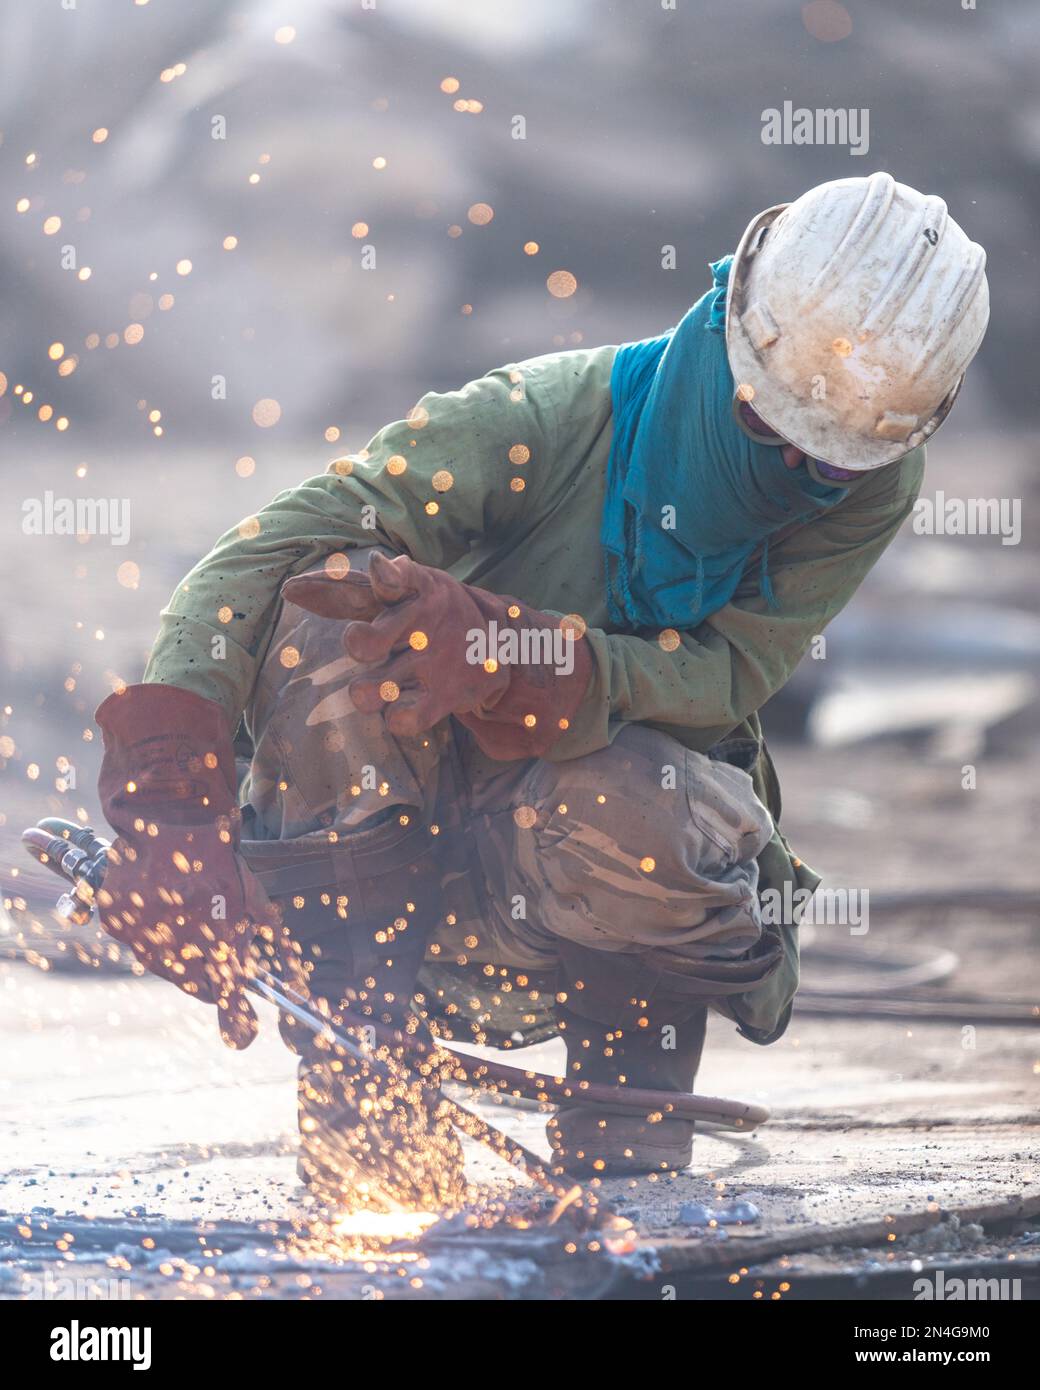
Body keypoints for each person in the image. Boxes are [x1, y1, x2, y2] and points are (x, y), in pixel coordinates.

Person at [93, 172, 989, 1193]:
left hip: (595, 872)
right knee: (324, 628)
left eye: (820, 461)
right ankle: (369, 1108)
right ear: (732, 337)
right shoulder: (540, 422)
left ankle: (626, 1134)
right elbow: (264, 554)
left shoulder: (871, 468)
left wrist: (527, 659)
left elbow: (729, 675)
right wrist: (171, 806)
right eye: (763, 425)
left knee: (647, 803)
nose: (790, 466)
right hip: (403, 847)